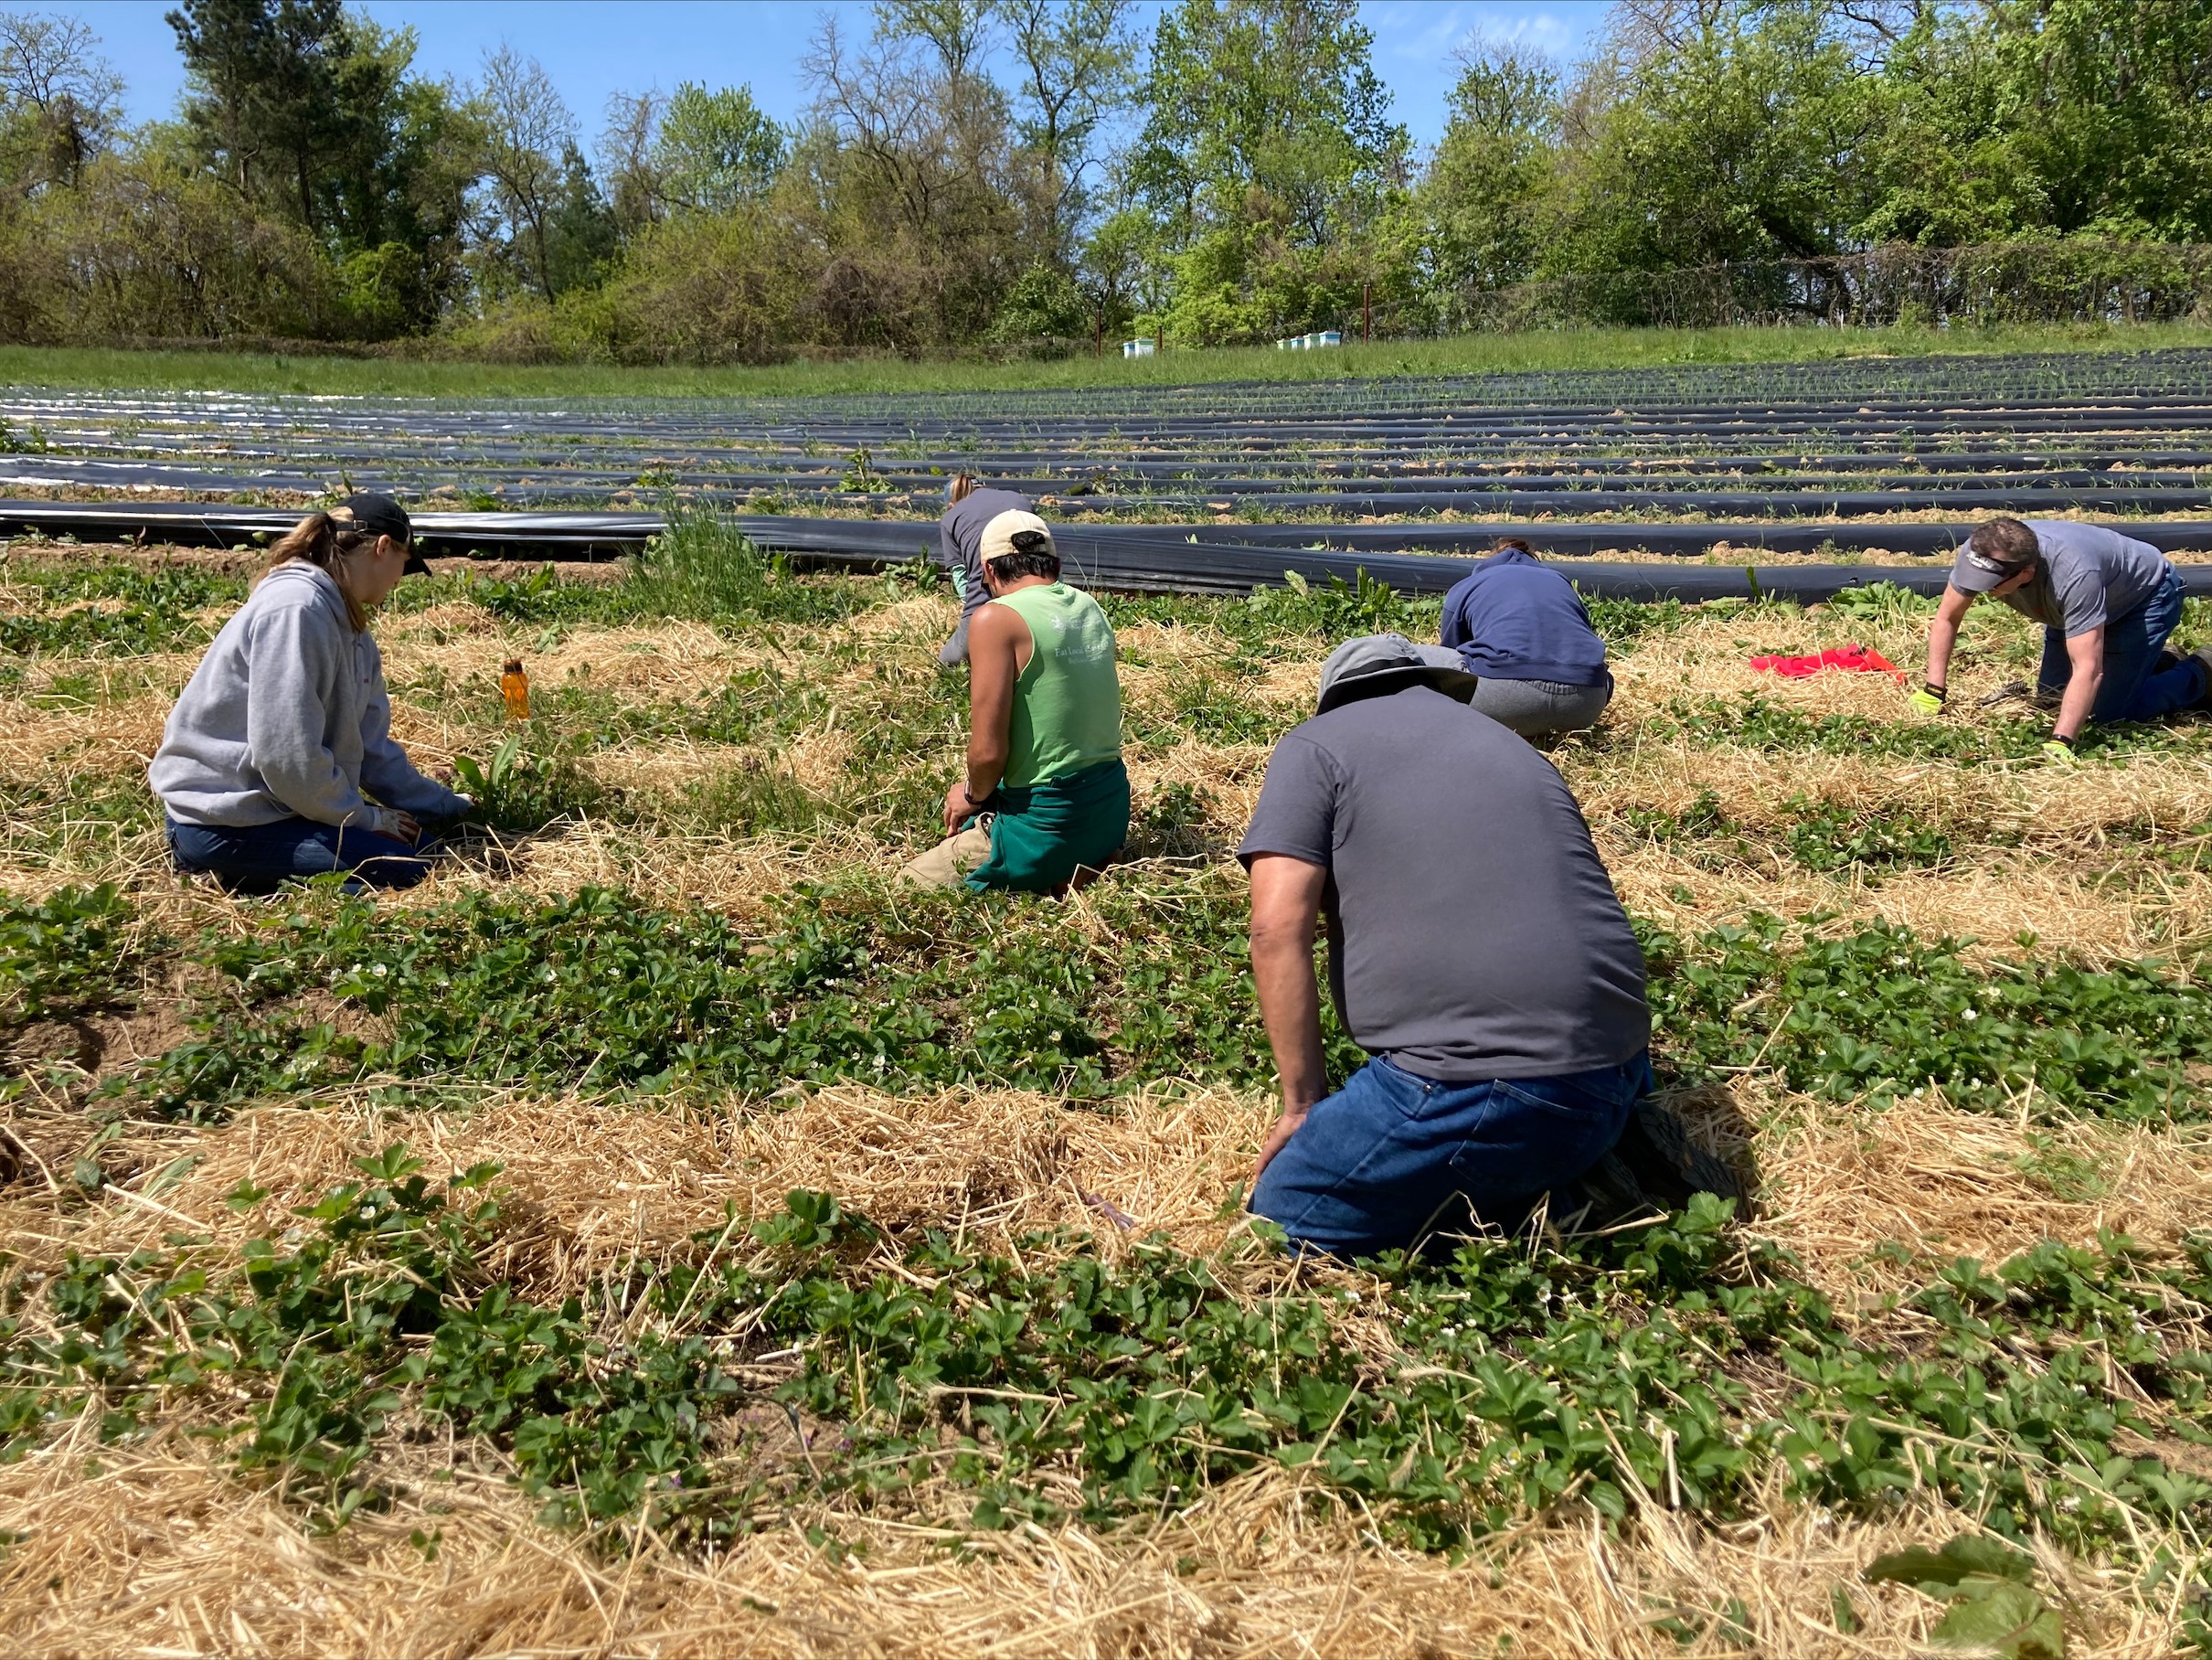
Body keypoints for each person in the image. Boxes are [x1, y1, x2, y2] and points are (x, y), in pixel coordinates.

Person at [1239, 633, 1654, 1260]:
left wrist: (1303, 1107)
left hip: (1487, 1086)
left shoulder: (1315, 746)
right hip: (1618, 1069)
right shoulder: (1515, 749)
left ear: (1335, 699)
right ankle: (1546, 1181)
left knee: (1284, 1219)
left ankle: (1514, 1208)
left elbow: (1276, 929)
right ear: (1439, 686)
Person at [149, 494, 473, 894]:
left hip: (285, 806)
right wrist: (361, 818)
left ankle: (268, 870)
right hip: (224, 818)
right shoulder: (295, 610)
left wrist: (445, 806)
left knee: (429, 853)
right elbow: (285, 755)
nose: (398, 581)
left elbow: (371, 748)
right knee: (404, 872)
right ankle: (219, 869)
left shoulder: (353, 630)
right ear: (383, 547)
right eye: (404, 565)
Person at [901, 510, 1129, 893]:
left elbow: (988, 753)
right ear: (1053, 562)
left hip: (1049, 826)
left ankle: (1036, 867)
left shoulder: (996, 618)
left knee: (907, 884)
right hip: (1109, 813)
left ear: (988, 570)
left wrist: (971, 795)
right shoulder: (1090, 606)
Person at [1912, 517, 2210, 759]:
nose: (1983, 590)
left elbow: (2088, 669)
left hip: (2144, 598)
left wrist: (2061, 741)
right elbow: (1947, 617)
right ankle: (2154, 660)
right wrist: (1934, 690)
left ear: (2026, 573)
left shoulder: (2075, 575)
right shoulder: (1980, 553)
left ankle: (2200, 671)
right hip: (2069, 612)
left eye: (1991, 585)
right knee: (2050, 701)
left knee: (2105, 716)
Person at [1438, 537, 1613, 739]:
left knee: (1397, 648)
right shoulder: (1559, 581)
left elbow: (1450, 655)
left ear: (1490, 559)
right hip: (1585, 705)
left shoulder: (1469, 585)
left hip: (1506, 701)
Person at [937, 474, 1034, 666]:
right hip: (1037, 597)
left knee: (948, 661)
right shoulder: (1019, 500)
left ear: (951, 504)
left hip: (985, 604)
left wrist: (968, 608)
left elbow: (960, 576)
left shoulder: (951, 517)